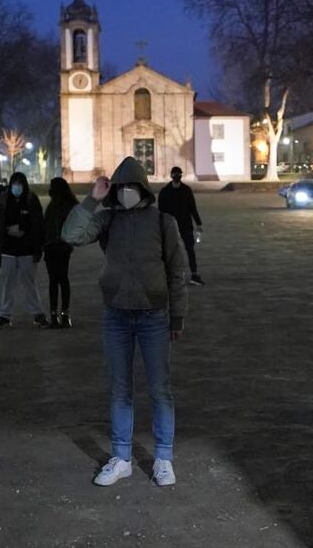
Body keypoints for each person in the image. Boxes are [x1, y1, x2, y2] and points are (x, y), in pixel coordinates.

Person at [63, 157, 189, 487]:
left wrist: (178, 314)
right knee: (120, 390)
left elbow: (178, 271)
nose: (127, 193)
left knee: (160, 390)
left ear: (144, 189)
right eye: (122, 188)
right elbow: (71, 235)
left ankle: (163, 458)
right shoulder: (107, 219)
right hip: (116, 314)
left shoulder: (164, 222)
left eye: (132, 187)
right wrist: (94, 198)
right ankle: (121, 458)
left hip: (154, 316)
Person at [0, 172, 50, 329]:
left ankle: (37, 314)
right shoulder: (1, 200)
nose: (17, 186)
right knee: (7, 284)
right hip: (7, 250)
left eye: (20, 183)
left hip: (27, 249)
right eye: (15, 183)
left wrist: (24, 231)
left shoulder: (31, 199)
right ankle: (4, 315)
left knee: (30, 283)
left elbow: (38, 224)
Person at [157, 166, 204, 286]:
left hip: (185, 225)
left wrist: (198, 223)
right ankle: (167, 275)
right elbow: (161, 212)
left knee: (190, 249)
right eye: (175, 174)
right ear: (172, 176)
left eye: (178, 174)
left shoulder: (185, 190)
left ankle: (194, 274)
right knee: (169, 251)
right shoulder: (165, 192)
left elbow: (193, 208)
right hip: (170, 227)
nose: (177, 176)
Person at [43, 177, 78, 329]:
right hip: (61, 247)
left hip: (54, 247)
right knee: (62, 280)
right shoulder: (68, 205)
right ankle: (63, 314)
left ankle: (55, 315)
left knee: (55, 281)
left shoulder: (55, 206)